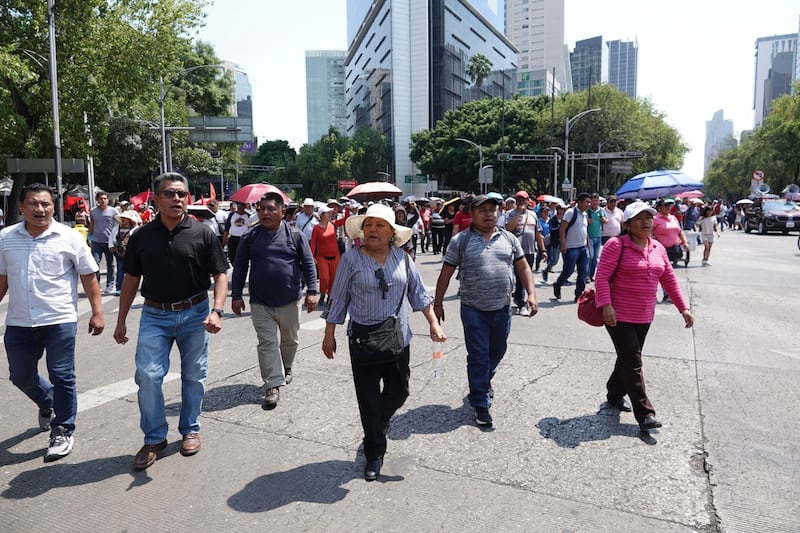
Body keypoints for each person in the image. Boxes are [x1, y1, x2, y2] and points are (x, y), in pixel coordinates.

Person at [322, 203, 445, 482]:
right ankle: (374, 452)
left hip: (397, 337)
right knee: (368, 398)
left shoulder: (403, 258)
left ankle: (378, 422)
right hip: (363, 339)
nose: (372, 230)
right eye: (368, 225)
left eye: (379, 225)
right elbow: (338, 298)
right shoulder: (351, 259)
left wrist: (434, 324)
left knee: (399, 391)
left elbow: (418, 294)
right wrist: (329, 334)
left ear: (392, 232)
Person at [113, 172, 228, 470]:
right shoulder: (142, 236)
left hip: (196, 313)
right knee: (148, 376)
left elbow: (220, 274)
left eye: (181, 194)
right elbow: (130, 279)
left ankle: (190, 429)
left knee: (194, 375)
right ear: (156, 198)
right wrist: (121, 320)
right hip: (154, 315)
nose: (176, 199)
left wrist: (217, 310)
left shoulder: (203, 233)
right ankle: (154, 438)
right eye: (169, 193)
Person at [0, 183, 105, 462]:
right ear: (21, 207)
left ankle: (63, 429)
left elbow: (89, 276)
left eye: (45, 204)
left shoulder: (69, 237)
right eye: (33, 203)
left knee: (62, 376)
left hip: (59, 320)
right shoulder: (6, 238)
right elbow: (2, 279)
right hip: (19, 322)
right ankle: (47, 401)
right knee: (20, 376)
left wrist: (97, 312)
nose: (40, 209)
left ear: (53, 207)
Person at [433, 195, 538, 428]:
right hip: (473, 309)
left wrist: (531, 294)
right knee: (479, 355)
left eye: (493, 210)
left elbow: (523, 267)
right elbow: (446, 273)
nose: (489, 214)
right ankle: (480, 402)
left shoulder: (509, 238)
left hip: (502, 308)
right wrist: (437, 303)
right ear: (472, 214)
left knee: (497, 350)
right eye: (483, 210)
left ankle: (484, 378)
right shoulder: (461, 241)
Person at [594, 201, 694, 431]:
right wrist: (606, 305)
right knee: (633, 361)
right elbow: (602, 277)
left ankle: (614, 393)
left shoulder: (658, 247)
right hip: (618, 314)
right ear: (627, 224)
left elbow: (669, 278)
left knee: (627, 358)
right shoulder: (616, 245)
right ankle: (645, 413)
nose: (645, 222)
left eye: (648, 217)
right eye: (639, 218)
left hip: (644, 314)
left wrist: (683, 308)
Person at [232, 192, 319, 410]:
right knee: (267, 342)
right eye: (262, 209)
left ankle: (286, 366)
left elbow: (308, 263)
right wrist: (236, 296)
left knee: (290, 340)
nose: (265, 213)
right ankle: (272, 384)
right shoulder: (250, 236)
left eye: (271, 209)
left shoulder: (295, 235)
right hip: (260, 301)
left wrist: (312, 291)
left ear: (282, 211)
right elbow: (240, 267)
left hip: (290, 300)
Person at [505, 190, 546, 315]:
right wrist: (518, 213)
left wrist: (543, 249)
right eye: (519, 200)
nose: (521, 202)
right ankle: (521, 302)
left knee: (524, 277)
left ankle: (519, 299)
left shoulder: (533, 215)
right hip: (513, 251)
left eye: (523, 200)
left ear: (528, 201)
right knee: (517, 277)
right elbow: (509, 228)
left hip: (529, 251)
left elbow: (538, 233)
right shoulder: (510, 214)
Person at [553, 192, 591, 302]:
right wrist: (563, 244)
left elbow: (585, 231)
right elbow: (562, 229)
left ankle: (579, 295)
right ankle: (558, 284)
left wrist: (588, 246)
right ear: (580, 202)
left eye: (589, 202)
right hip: (571, 247)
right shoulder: (571, 212)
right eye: (586, 202)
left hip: (582, 247)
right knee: (568, 270)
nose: (588, 204)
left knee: (583, 272)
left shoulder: (585, 215)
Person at [310, 205, 348, 307]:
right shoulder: (316, 228)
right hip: (322, 257)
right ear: (322, 215)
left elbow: (346, 219)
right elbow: (313, 243)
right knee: (324, 277)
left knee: (334, 278)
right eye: (328, 213)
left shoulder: (333, 224)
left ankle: (330, 295)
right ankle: (323, 292)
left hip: (335, 256)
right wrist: (312, 257)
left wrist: (347, 209)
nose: (330, 214)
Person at [88, 191, 118, 294]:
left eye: (105, 198)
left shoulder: (113, 211)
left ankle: (110, 285)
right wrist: (89, 236)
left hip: (109, 242)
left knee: (110, 264)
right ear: (97, 200)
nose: (103, 200)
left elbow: (119, 224)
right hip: (96, 241)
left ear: (108, 200)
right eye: (101, 198)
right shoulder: (93, 211)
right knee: (95, 263)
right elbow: (92, 224)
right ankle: (97, 285)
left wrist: (117, 238)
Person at [108, 211, 140, 295]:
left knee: (131, 271)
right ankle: (119, 288)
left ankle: (131, 288)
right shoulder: (116, 228)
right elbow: (111, 237)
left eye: (125, 218)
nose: (123, 219)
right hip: (119, 252)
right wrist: (111, 246)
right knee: (120, 270)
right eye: (122, 218)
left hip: (131, 253)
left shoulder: (135, 229)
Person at [586, 193, 608, 281]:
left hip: (598, 236)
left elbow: (607, 220)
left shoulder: (601, 211)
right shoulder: (587, 211)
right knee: (590, 257)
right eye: (593, 201)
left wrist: (604, 220)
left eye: (596, 201)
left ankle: (591, 275)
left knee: (595, 258)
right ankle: (586, 275)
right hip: (589, 236)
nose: (595, 203)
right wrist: (587, 220)